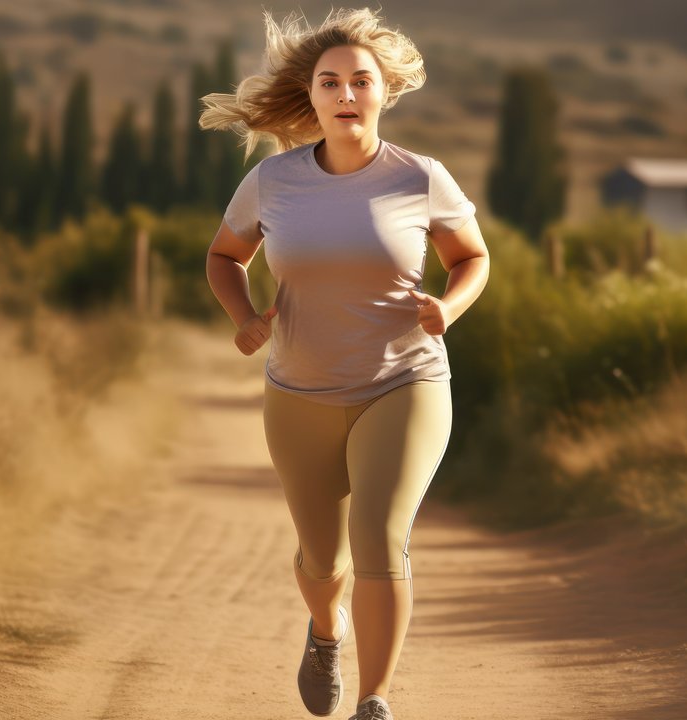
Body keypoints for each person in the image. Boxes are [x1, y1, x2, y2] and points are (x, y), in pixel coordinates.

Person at [201, 8, 489, 720]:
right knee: (322, 562)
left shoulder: (421, 178)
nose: (347, 94)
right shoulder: (274, 182)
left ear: (384, 91)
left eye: (362, 81)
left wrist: (448, 309)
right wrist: (245, 318)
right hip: (300, 390)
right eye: (332, 83)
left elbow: (472, 259)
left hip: (405, 380)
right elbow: (223, 258)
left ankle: (375, 700)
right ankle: (326, 631)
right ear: (314, 96)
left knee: (379, 542)